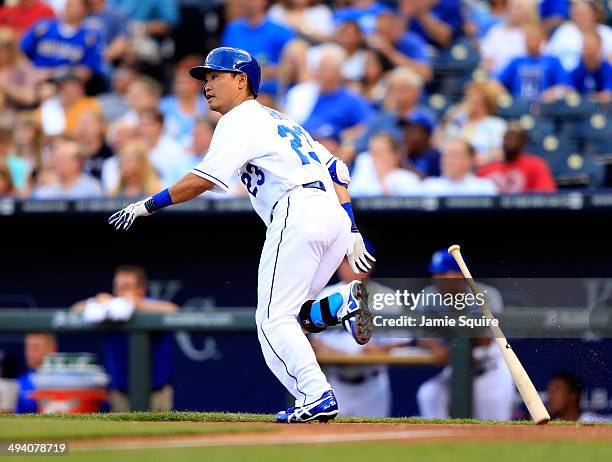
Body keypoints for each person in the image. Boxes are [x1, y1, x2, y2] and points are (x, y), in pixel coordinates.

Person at [108, 46, 376, 423]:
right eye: (205, 78)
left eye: (215, 76)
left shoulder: (240, 118)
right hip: (329, 215)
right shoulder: (281, 120)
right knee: (293, 317)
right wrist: (350, 226)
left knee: (270, 321)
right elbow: (337, 170)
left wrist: (148, 204)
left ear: (241, 80)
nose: (206, 85)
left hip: (295, 210)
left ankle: (316, 396)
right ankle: (341, 301)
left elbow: (203, 179)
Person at [416, 249, 515, 420]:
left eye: (443, 273)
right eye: (435, 273)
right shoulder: (429, 295)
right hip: (457, 370)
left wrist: (450, 333)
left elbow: (483, 339)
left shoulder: (487, 296)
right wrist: (434, 344)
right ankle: (439, 442)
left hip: (489, 371)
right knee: (429, 394)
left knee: (495, 431)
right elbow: (419, 335)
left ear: (459, 274)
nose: (436, 278)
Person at [72, 265, 177, 411]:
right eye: (118, 287)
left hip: (156, 393)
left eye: (126, 287)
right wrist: (97, 301)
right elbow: (75, 310)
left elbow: (172, 310)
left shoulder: (150, 306)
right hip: (120, 393)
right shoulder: (111, 310)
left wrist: (137, 303)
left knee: (158, 433)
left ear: (141, 289)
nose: (121, 292)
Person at [284, 44, 372, 147]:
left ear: (337, 71)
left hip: (326, 150)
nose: (318, 73)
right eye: (317, 68)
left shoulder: (351, 99)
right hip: (300, 143)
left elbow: (369, 125)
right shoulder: (306, 93)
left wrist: (342, 138)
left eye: (323, 69)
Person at [353, 66, 435, 155]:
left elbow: (432, 148)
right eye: (394, 89)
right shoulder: (381, 119)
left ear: (417, 91)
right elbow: (360, 147)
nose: (397, 93)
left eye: (402, 88)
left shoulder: (426, 118)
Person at [19, 0, 103, 84]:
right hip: (34, 79)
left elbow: (86, 72)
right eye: (67, 4)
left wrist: (52, 74)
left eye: (73, 5)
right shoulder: (44, 27)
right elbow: (20, 53)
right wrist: (30, 72)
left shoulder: (90, 38)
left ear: (85, 9)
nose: (67, 7)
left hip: (66, 84)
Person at [434, 81, 507, 165]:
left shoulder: (497, 125)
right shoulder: (457, 122)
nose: (468, 101)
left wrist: (478, 160)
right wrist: (446, 119)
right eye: (467, 97)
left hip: (482, 169)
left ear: (485, 103)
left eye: (473, 98)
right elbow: (438, 146)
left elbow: (499, 152)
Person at [222, 0, 294, 80]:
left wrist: (272, 71)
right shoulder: (232, 29)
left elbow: (293, 67)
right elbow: (225, 63)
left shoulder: (281, 31)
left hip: (271, 88)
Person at [497, 24, 571, 102]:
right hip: (518, 107)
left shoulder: (552, 61)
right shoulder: (516, 62)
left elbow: (566, 87)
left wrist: (551, 94)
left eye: (534, 39)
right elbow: (497, 82)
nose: (531, 43)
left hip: (546, 108)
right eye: (528, 39)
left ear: (541, 39)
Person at [477, 124, 557, 193]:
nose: (510, 141)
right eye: (508, 137)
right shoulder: (486, 170)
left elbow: (546, 198)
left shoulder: (537, 166)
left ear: (524, 143)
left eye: (515, 138)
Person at [545, 0, 612, 73]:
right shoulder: (563, 32)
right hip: (564, 77)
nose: (580, 16)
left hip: (598, 76)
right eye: (576, 13)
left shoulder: (606, 33)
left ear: (594, 13)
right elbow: (549, 57)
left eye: (583, 13)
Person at [366, 11, 432, 82]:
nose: (380, 36)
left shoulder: (411, 42)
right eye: (378, 31)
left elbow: (426, 74)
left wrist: (389, 52)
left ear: (396, 29)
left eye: (385, 31)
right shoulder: (372, 45)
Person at [350, 133, 421, 197]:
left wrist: (382, 179)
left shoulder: (407, 178)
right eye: (372, 152)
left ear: (396, 155)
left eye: (380, 152)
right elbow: (352, 196)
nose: (374, 157)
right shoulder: (364, 171)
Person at [159, 55, 208, 147]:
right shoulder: (164, 105)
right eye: (179, 81)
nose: (182, 85)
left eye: (187, 81)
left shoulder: (208, 105)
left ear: (197, 84)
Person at [32, 136, 103, 198]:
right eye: (56, 158)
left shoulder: (91, 189)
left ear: (77, 163)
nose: (56, 163)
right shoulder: (45, 189)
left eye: (62, 159)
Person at [422, 139, 497, 196]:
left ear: (470, 160)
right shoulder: (429, 186)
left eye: (454, 155)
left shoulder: (484, 188)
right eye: (445, 155)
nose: (447, 160)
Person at [480, 0, 537, 75]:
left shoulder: (533, 33)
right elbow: (487, 60)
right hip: (498, 79)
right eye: (513, 8)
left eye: (519, 9)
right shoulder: (495, 32)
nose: (516, 13)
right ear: (507, 10)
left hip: (525, 77)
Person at [15, 332, 57, 413]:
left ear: (51, 349)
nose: (29, 354)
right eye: (27, 347)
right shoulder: (20, 381)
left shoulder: (65, 382)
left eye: (35, 348)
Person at [398, 0, 464, 49]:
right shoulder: (407, 4)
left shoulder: (449, 3)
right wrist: (405, 14)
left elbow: (445, 39)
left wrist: (422, 14)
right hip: (415, 56)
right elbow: (397, 38)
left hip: (445, 55)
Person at [570, 31, 612, 103]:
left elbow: (607, 96)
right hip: (581, 112)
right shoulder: (577, 70)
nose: (587, 51)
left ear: (599, 47)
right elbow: (569, 93)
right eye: (585, 46)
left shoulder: (607, 70)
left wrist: (584, 98)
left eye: (590, 47)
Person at [0, 28, 37, 111]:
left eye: (3, 50)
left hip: (14, 114)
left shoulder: (22, 68)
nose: (1, 53)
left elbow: (31, 97)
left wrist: (6, 88)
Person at [267, 0, 334, 43]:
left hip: (314, 52)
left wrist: (302, 27)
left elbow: (327, 38)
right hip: (280, 52)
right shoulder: (276, 10)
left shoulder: (321, 11)